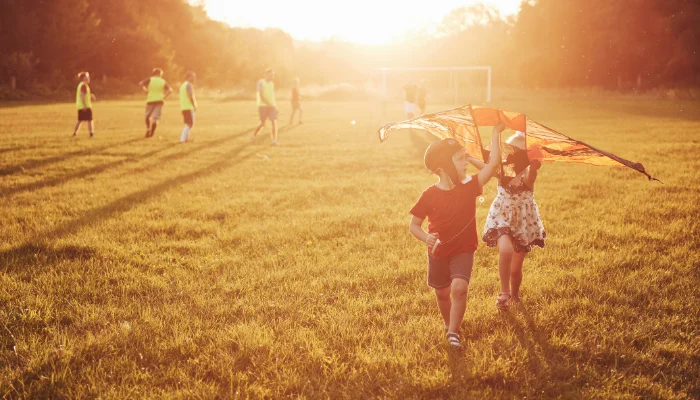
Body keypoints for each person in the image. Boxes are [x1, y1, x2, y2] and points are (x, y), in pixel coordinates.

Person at [409, 123, 505, 348]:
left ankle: (453, 331)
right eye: (460, 159)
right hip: (438, 251)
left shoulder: (469, 185)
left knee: (459, 288)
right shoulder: (429, 195)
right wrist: (426, 237)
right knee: (442, 294)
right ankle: (447, 322)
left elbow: (493, 166)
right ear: (442, 167)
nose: (465, 163)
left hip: (463, 248)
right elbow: (414, 225)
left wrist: (493, 134)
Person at [466, 131, 546, 311]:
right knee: (505, 249)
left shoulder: (527, 175)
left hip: (522, 221)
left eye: (518, 155)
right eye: (510, 154)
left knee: (516, 269)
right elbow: (485, 166)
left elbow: (530, 178)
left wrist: (533, 167)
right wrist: (469, 158)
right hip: (502, 216)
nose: (513, 159)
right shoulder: (502, 172)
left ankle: (515, 294)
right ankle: (504, 291)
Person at [139, 68, 173, 138]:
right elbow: (170, 90)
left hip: (150, 99)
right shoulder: (162, 81)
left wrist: (145, 90)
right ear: (160, 74)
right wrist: (164, 96)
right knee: (155, 118)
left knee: (147, 116)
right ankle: (152, 133)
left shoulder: (149, 79)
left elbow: (141, 83)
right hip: (160, 100)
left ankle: (148, 129)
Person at [251, 68, 278, 145]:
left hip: (272, 106)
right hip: (263, 106)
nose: (272, 76)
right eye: (271, 75)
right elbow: (261, 95)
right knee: (262, 123)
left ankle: (274, 140)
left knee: (274, 121)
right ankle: (253, 135)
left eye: (273, 75)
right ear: (266, 75)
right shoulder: (260, 82)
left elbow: (272, 96)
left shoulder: (272, 84)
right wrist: (268, 104)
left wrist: (275, 105)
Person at [72, 72, 96, 138]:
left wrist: (91, 95)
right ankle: (91, 134)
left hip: (80, 106)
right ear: (83, 78)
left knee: (80, 120)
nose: (88, 78)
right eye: (87, 77)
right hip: (85, 106)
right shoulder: (84, 85)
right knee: (90, 120)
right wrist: (84, 105)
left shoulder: (81, 85)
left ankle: (74, 133)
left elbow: (84, 94)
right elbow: (82, 95)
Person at [179, 71, 198, 143]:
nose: (194, 78)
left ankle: (186, 139)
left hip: (184, 107)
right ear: (188, 77)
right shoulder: (188, 85)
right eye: (193, 77)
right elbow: (190, 96)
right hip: (188, 107)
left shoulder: (183, 85)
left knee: (188, 123)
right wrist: (194, 105)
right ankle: (182, 139)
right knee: (190, 124)